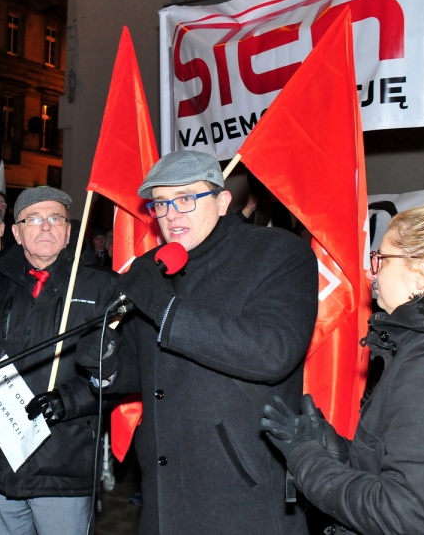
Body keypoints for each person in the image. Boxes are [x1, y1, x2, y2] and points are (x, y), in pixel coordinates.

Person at [102, 150, 318, 533]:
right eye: (161, 203)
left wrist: (166, 311)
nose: (171, 214)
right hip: (164, 491)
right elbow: (142, 372)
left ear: (222, 201)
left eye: (186, 198)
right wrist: (103, 363)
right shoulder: (150, 269)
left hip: (243, 490)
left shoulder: (277, 252)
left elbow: (273, 352)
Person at [261, 203, 424, 534]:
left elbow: (407, 516)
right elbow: (403, 470)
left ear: (423, 271)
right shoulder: (423, 351)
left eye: (381, 258)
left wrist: (308, 461)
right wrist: (332, 448)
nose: (372, 271)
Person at [0, 187, 119, 534]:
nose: (45, 227)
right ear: (16, 231)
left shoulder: (102, 288)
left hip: (63, 462)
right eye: (34, 219)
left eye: (55, 219)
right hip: (1, 459)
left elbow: (120, 374)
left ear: (69, 231)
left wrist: (68, 400)